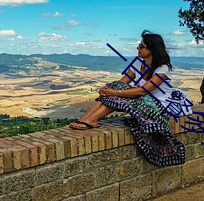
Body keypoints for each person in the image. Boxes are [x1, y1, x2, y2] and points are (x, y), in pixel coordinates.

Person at [69, 30, 188, 166]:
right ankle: (87, 118)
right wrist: (107, 90)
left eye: (141, 46)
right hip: (142, 101)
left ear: (152, 48)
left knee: (116, 92)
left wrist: (114, 92)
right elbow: (122, 82)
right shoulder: (138, 63)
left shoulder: (163, 68)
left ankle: (92, 119)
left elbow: (144, 91)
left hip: (159, 107)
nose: (138, 48)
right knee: (114, 86)